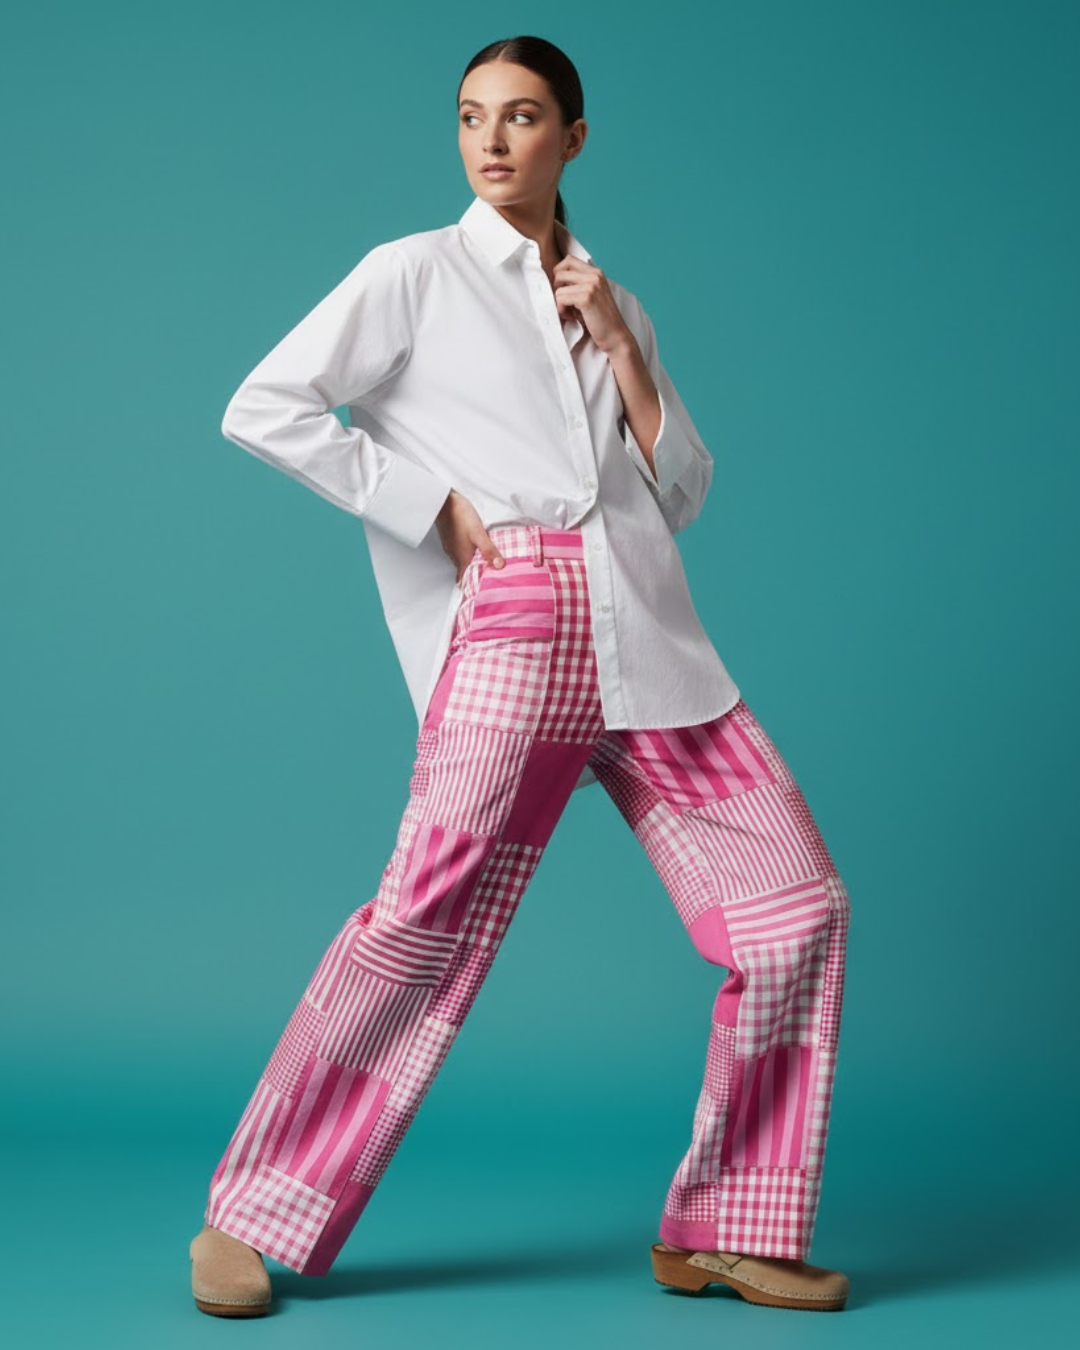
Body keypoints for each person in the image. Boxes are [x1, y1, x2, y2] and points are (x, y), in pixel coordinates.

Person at [189, 34, 852, 1318]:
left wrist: (622, 346)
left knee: (795, 910)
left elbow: (684, 492)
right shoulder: (414, 274)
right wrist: (426, 503)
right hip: (518, 621)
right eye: (471, 116)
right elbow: (263, 405)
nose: (491, 140)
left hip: (651, 632)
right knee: (424, 920)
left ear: (574, 138)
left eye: (523, 116)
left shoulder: (616, 300)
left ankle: (728, 1227)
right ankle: (254, 1213)